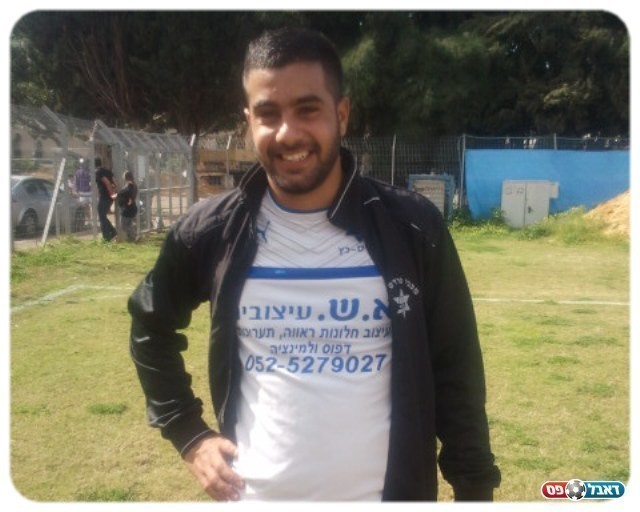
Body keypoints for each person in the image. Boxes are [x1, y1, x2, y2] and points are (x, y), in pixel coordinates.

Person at [129, 27, 500, 502]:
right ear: (249, 122)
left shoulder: (410, 227)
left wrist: (474, 490)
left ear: (341, 114)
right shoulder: (212, 230)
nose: (288, 133)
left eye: (307, 109)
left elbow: (457, 374)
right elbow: (150, 325)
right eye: (268, 114)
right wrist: (189, 434)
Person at [95, 157, 117, 241]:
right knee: (102, 216)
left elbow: (107, 182)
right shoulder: (108, 171)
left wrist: (111, 194)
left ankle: (107, 236)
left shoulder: (99, 172)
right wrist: (113, 193)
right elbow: (114, 182)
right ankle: (113, 232)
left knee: (102, 217)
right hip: (108, 197)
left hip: (105, 196)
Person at [117, 170, 138, 242]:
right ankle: (131, 239)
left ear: (126, 177)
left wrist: (129, 201)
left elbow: (130, 194)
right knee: (128, 225)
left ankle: (134, 235)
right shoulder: (131, 184)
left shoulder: (130, 185)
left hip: (127, 208)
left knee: (123, 226)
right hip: (129, 208)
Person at [74, 159, 92, 223]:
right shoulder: (78, 172)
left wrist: (76, 190)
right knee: (85, 207)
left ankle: (91, 219)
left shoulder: (89, 171)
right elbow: (76, 182)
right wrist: (76, 191)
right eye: (82, 163)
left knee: (88, 206)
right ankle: (89, 219)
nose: (83, 165)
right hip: (83, 192)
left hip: (89, 191)